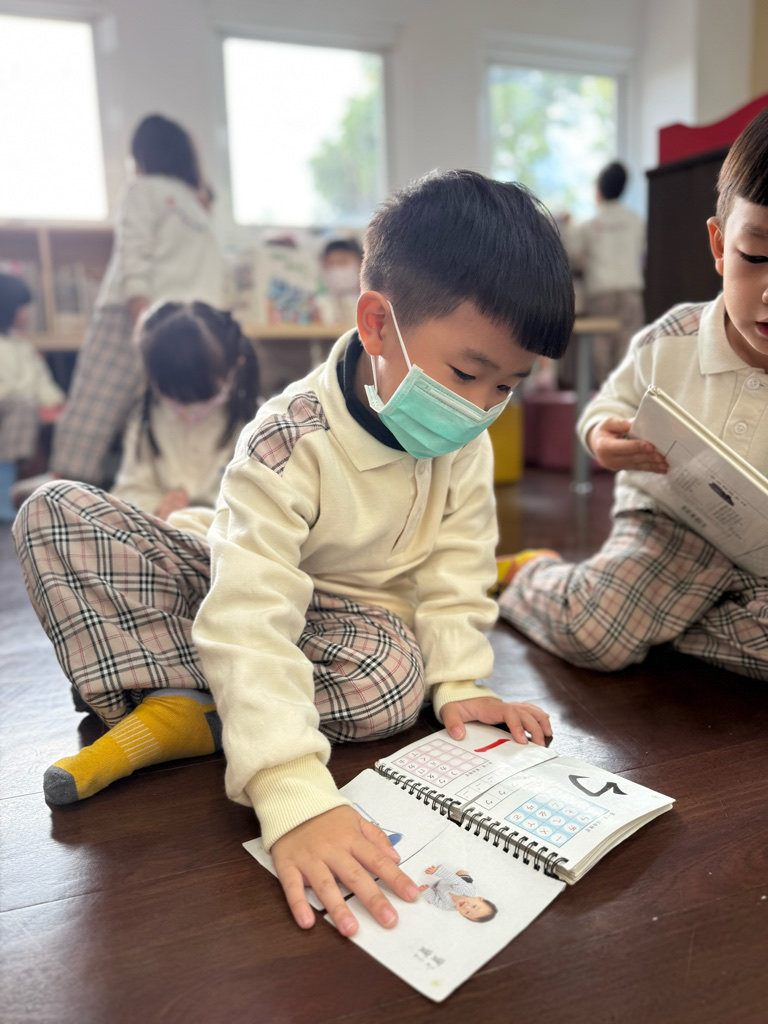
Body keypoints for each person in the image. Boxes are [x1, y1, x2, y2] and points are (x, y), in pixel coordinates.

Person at [13, 169, 574, 938]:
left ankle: (193, 706)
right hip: (243, 581)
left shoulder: (465, 440)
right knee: (51, 513)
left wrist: (457, 680)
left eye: (507, 386)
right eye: (468, 373)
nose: (481, 409)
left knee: (392, 680)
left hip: (353, 634)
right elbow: (249, 607)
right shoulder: (289, 440)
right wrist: (292, 789)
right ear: (376, 325)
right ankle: (222, 702)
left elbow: (457, 569)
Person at [497, 109, 768, 682]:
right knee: (595, 635)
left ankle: (654, 623)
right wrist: (603, 435)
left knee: (630, 622)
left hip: (759, 562)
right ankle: (532, 575)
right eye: (757, 257)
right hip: (667, 525)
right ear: (721, 245)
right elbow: (608, 405)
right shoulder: (672, 339)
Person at [50, 114, 224, 486]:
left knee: (94, 406)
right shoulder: (198, 206)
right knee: (164, 413)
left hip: (133, 314)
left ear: (143, 154)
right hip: (188, 325)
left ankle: (63, 484)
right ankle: (153, 488)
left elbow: (134, 249)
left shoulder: (142, 189)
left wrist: (138, 306)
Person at [111, 302, 259, 518]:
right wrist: (157, 505)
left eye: (202, 393)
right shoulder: (147, 417)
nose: (189, 407)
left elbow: (262, 503)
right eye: (173, 394)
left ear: (235, 366)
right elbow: (127, 490)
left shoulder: (256, 425)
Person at [562, 160, 646, 385]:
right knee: (629, 350)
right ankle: (624, 399)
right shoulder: (636, 220)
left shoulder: (590, 224)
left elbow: (571, 253)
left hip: (601, 293)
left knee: (600, 349)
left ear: (599, 190)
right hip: (631, 292)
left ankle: (603, 393)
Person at [0, 274, 65, 520]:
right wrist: (35, 401)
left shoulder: (23, 345)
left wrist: (57, 402)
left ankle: (53, 492)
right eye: (22, 308)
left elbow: (41, 382)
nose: (27, 314)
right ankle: (3, 491)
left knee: (61, 416)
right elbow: (8, 388)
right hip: (11, 405)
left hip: (25, 405)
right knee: (23, 407)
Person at [418, 864, 498, 922]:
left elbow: (435, 901)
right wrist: (437, 871)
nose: (466, 907)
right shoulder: (466, 890)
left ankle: (433, 892)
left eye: (467, 912)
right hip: (459, 882)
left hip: (441, 890)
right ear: (479, 898)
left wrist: (427, 892)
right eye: (474, 906)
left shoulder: (448, 907)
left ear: (463, 915)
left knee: (432, 900)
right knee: (461, 872)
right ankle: (465, 876)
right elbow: (453, 879)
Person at [316, 237, 363, 327]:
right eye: (330, 263)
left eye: (342, 261)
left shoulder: (377, 303)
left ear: (361, 264)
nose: (336, 269)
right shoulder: (320, 307)